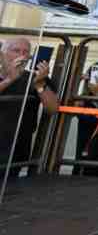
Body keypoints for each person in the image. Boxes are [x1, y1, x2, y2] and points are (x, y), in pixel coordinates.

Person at [0, 37, 58, 181]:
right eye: (16, 51)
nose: (22, 56)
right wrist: (9, 80)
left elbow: (53, 109)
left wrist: (39, 85)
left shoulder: (34, 77)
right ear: (2, 54)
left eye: (26, 52)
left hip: (17, 148)